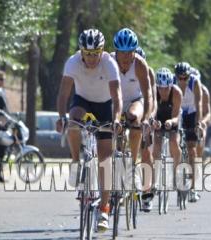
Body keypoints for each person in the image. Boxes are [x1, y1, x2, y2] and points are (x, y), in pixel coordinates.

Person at [56, 28, 122, 231]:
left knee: (105, 160)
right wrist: (61, 117)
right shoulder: (72, 62)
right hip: (82, 101)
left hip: (105, 105)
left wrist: (117, 119)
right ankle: (76, 160)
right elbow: (63, 94)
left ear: (102, 51)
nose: (92, 59)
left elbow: (117, 95)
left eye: (96, 54)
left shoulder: (109, 63)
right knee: (73, 123)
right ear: (81, 51)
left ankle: (104, 208)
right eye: (88, 54)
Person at [111, 28, 153, 209]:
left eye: (130, 52)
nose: (126, 57)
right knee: (115, 130)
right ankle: (117, 160)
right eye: (122, 53)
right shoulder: (109, 61)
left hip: (136, 101)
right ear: (116, 51)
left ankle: (133, 162)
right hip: (115, 101)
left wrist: (147, 118)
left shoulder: (140, 65)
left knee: (134, 119)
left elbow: (148, 95)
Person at [174, 61, 203, 202]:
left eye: (185, 78)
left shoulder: (195, 83)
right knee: (175, 142)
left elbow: (199, 104)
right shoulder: (172, 83)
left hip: (191, 113)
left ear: (189, 77)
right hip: (178, 113)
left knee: (192, 149)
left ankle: (192, 188)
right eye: (180, 78)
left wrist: (198, 123)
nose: (182, 81)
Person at [152, 67, 182, 197]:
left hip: (172, 118)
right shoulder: (153, 92)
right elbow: (152, 110)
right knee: (156, 148)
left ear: (171, 85)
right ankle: (154, 181)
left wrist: (171, 122)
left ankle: (176, 174)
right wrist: (153, 121)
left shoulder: (176, 93)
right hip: (158, 117)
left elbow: (176, 116)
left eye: (166, 88)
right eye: (160, 87)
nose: (163, 91)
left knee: (174, 143)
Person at [135, 46, 157, 211]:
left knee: (146, 152)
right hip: (128, 108)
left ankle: (146, 192)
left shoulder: (148, 73)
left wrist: (149, 118)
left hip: (144, 109)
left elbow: (153, 99)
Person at [190, 68, 211, 161]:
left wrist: (202, 122)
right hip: (187, 117)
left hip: (200, 119)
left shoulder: (204, 92)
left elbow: (208, 113)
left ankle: (198, 161)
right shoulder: (183, 88)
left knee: (200, 139)